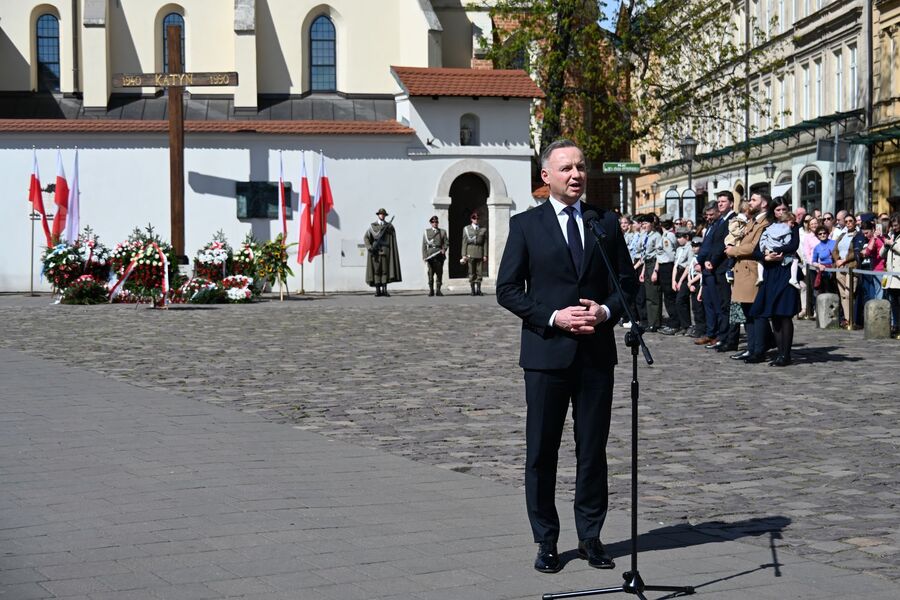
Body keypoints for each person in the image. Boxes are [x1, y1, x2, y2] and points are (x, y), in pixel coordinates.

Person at [496, 139, 636, 574]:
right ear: (546, 176)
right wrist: (554, 317)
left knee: (592, 450)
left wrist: (606, 310)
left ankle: (591, 536)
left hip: (595, 356)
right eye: (566, 168)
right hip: (545, 357)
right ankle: (546, 540)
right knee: (542, 451)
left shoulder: (604, 223)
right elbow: (508, 290)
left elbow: (627, 284)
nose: (576, 175)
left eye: (580, 167)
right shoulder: (526, 226)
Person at [750, 197, 800, 366]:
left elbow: (794, 245)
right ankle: (780, 353)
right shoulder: (768, 228)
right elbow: (755, 251)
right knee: (774, 316)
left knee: (785, 313)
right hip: (770, 272)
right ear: (773, 211)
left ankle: (786, 355)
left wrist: (777, 250)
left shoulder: (793, 226)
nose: (781, 213)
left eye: (784, 209)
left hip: (785, 271)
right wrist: (766, 256)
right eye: (778, 210)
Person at [725, 191, 772, 362]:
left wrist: (733, 251)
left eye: (754, 200)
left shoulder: (764, 222)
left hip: (752, 271)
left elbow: (754, 247)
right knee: (747, 313)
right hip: (742, 270)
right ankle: (752, 348)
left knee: (755, 313)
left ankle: (759, 349)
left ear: (764, 203)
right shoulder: (753, 220)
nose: (749, 202)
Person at [757, 209, 800, 289]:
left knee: (760, 260)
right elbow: (789, 243)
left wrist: (764, 249)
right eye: (792, 223)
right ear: (786, 221)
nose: (793, 225)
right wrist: (780, 249)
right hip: (781, 254)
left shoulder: (770, 228)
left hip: (769, 251)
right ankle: (793, 279)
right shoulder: (787, 230)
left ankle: (760, 276)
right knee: (794, 259)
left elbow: (763, 237)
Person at [364, 208, 401, 297]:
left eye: (383, 214)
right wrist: (369, 247)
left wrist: (389, 229)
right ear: (378, 215)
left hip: (385, 252)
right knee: (376, 271)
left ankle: (384, 290)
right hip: (375, 252)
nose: (382, 215)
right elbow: (366, 238)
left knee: (385, 271)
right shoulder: (373, 226)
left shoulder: (389, 226)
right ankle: (378, 290)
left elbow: (392, 238)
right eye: (380, 214)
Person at [833, 214, 858, 327]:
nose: (848, 223)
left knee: (849, 293)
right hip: (840, 267)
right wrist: (837, 260)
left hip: (851, 267)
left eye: (850, 221)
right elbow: (835, 249)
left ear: (855, 222)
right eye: (846, 221)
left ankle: (852, 319)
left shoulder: (858, 235)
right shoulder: (842, 235)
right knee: (843, 294)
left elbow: (855, 252)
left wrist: (844, 261)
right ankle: (847, 319)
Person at [881, 213, 900, 338]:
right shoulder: (892, 235)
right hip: (891, 277)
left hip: (899, 276)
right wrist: (886, 244)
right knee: (893, 302)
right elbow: (881, 253)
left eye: (896, 225)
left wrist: (892, 244)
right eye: (893, 225)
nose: (894, 227)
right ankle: (896, 325)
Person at [461, 211, 488, 296]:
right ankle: (472, 290)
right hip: (470, 252)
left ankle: (479, 290)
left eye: (477, 218)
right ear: (471, 219)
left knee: (479, 272)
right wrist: (463, 254)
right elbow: (464, 242)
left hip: (479, 252)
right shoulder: (467, 229)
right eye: (474, 218)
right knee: (471, 271)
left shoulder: (483, 229)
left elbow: (485, 243)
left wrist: (485, 254)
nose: (476, 220)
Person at [422, 215, 448, 296]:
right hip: (430, 255)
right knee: (430, 273)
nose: (435, 223)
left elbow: (446, 242)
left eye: (436, 222)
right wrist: (424, 256)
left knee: (439, 273)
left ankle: (438, 290)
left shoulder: (442, 232)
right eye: (433, 222)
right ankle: (431, 290)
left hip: (439, 254)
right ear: (431, 223)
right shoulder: (427, 232)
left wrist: (444, 249)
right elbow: (424, 245)